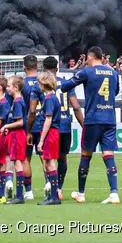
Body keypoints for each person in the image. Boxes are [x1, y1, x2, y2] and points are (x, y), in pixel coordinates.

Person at [60, 46, 121, 205]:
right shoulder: (114, 73)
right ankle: (114, 193)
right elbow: (115, 92)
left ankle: (81, 193)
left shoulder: (87, 71)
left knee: (86, 155)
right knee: (108, 155)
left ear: (90, 57)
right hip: (110, 119)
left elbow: (65, 87)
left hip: (93, 119)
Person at [43, 56, 83, 200]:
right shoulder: (66, 84)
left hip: (49, 126)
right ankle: (58, 188)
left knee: (48, 158)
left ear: (43, 68)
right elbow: (76, 107)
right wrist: (84, 126)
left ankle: (50, 186)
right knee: (62, 158)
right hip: (65, 125)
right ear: (57, 68)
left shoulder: (42, 84)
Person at [36, 72, 62, 206]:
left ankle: (54, 196)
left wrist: (41, 140)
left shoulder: (50, 99)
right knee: (47, 162)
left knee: (50, 163)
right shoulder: (50, 97)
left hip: (51, 133)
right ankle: (53, 195)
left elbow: (48, 119)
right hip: (51, 132)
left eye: (39, 82)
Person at [3, 76, 29, 204]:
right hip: (15, 134)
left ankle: (19, 195)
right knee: (16, 162)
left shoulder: (18, 101)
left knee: (18, 163)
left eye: (8, 86)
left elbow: (20, 122)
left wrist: (7, 126)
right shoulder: (16, 101)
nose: (7, 88)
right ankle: (18, 195)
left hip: (18, 135)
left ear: (16, 87)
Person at [22, 54, 40, 199]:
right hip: (44, 124)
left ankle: (28, 192)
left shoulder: (22, 84)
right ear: (38, 66)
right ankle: (51, 188)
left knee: (26, 159)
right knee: (46, 158)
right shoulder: (45, 81)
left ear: (24, 67)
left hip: (27, 125)